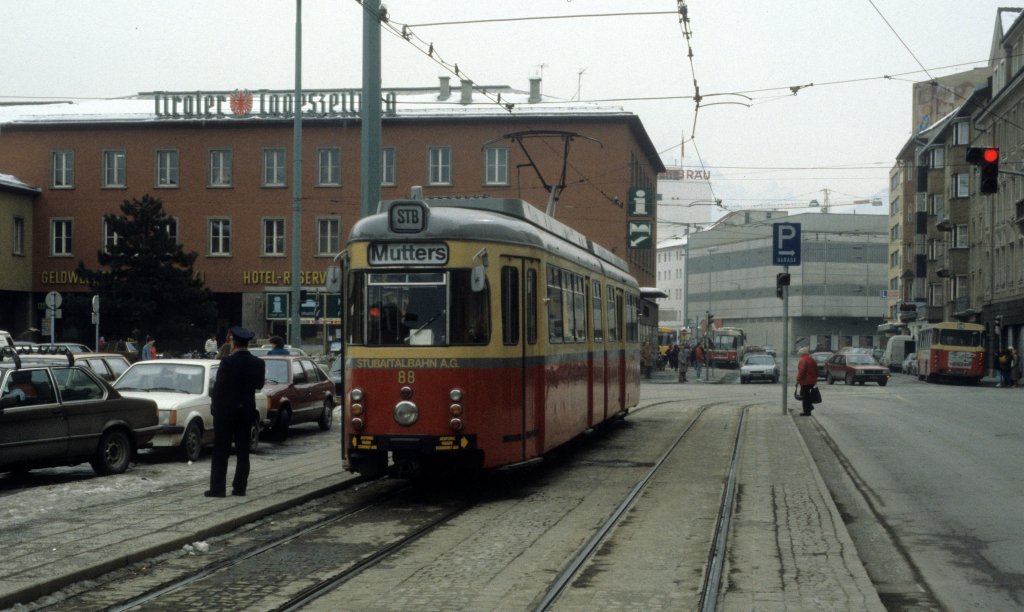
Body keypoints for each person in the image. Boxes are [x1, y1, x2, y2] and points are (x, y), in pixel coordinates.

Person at [206, 326, 266, 498]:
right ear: (247, 343)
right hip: (246, 410)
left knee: (221, 450)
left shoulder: (227, 362)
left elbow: (218, 387)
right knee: (243, 450)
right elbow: (259, 385)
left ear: (233, 342)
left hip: (225, 411)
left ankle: (217, 489)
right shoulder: (258, 363)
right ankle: (239, 488)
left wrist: (215, 406)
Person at [796, 347, 818, 416]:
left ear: (802, 354)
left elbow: (802, 371)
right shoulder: (812, 360)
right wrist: (815, 379)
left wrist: (798, 380)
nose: (799, 355)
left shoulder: (803, 360)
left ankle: (807, 411)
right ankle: (809, 408)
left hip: (805, 381)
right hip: (812, 381)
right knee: (808, 396)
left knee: (804, 397)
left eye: (800, 354)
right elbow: (816, 370)